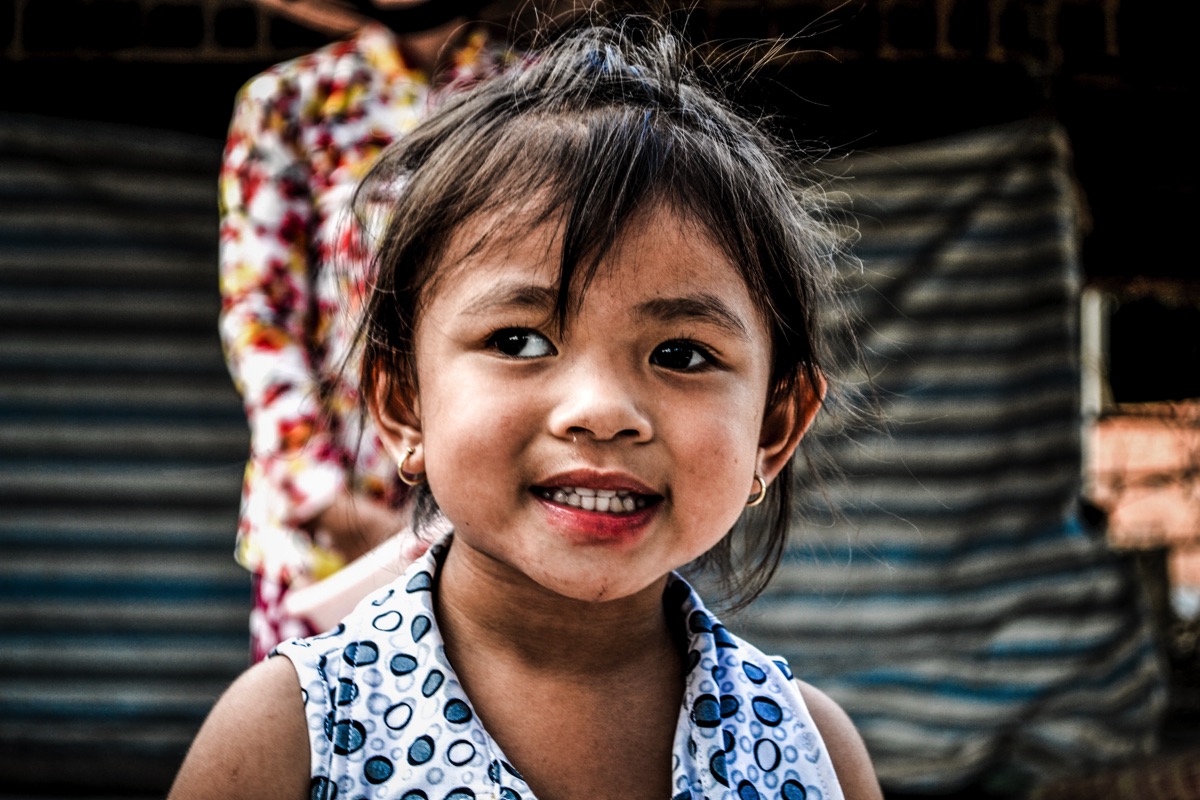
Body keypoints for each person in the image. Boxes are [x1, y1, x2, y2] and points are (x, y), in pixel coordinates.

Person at [172, 19, 882, 799]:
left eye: (680, 354)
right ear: (402, 400)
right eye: (519, 340)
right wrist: (324, 501)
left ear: (775, 428)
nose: (601, 412)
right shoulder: (288, 735)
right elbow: (260, 320)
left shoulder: (812, 749)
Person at [218, 0, 521, 660]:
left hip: (498, 508)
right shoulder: (289, 102)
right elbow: (259, 314)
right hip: (334, 530)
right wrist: (327, 503)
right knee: (322, 735)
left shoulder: (534, 99)